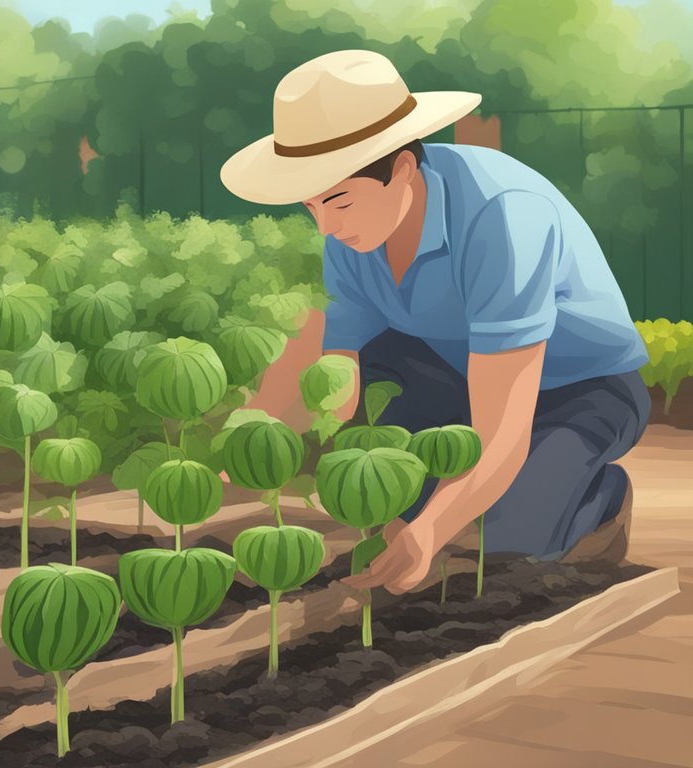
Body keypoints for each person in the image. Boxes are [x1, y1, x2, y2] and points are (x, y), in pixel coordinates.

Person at [218, 49, 650, 595]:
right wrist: (262, 442)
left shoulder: (502, 217)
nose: (326, 226)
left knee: (504, 540)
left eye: (339, 202)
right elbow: (341, 375)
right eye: (311, 207)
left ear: (401, 168)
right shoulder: (352, 233)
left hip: (578, 388)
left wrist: (428, 529)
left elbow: (504, 425)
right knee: (377, 472)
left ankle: (599, 500)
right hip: (450, 372)